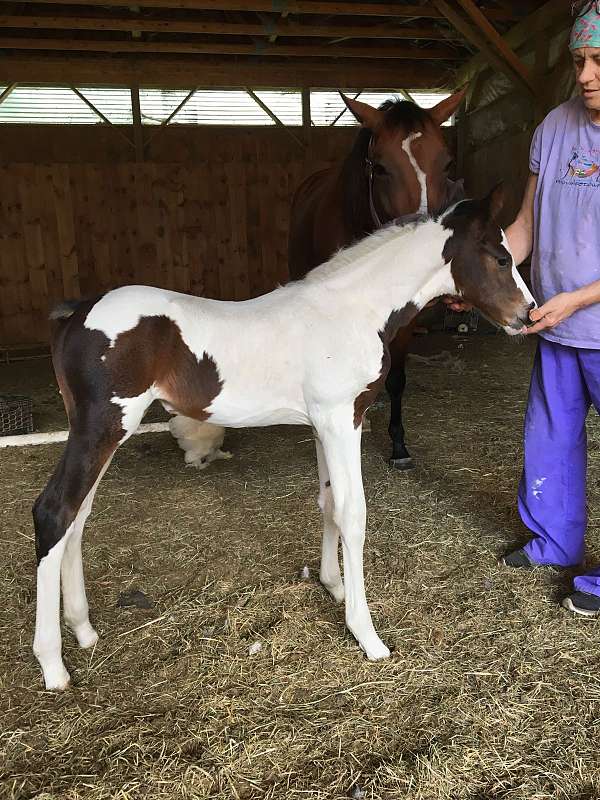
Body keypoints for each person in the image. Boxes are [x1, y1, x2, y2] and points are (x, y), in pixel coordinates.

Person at [501, 0, 600, 617]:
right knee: (551, 439)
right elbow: (526, 225)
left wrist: (576, 299)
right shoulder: (553, 128)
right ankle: (553, 541)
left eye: (599, 62)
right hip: (557, 328)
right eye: (579, 61)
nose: (586, 75)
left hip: (586, 315)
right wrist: (491, 270)